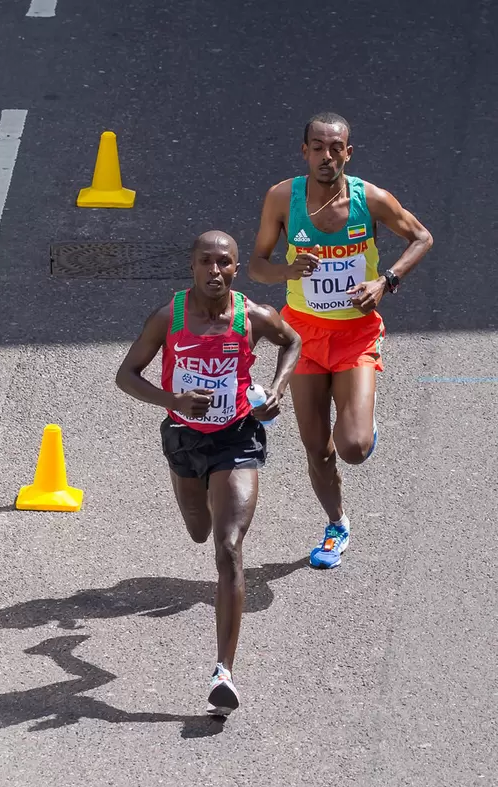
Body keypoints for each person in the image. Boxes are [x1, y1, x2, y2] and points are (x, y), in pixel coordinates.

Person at [115, 231, 301, 715]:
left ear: (236, 269)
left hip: (237, 437)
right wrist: (172, 400)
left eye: (224, 263)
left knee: (228, 546)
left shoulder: (252, 316)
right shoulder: (169, 317)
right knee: (198, 531)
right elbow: (126, 375)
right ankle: (190, 488)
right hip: (184, 439)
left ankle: (224, 671)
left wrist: (277, 390)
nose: (214, 271)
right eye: (205, 262)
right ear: (192, 266)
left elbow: (293, 340)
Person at [249, 112, 433, 569]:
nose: (326, 156)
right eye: (318, 147)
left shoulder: (369, 199)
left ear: (348, 153)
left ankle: (362, 426)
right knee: (318, 450)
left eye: (336, 148)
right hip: (302, 336)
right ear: (304, 151)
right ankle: (336, 525)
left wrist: (385, 281)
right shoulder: (281, 199)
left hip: (355, 335)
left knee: (351, 446)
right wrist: (286, 271)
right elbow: (255, 265)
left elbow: (421, 237)